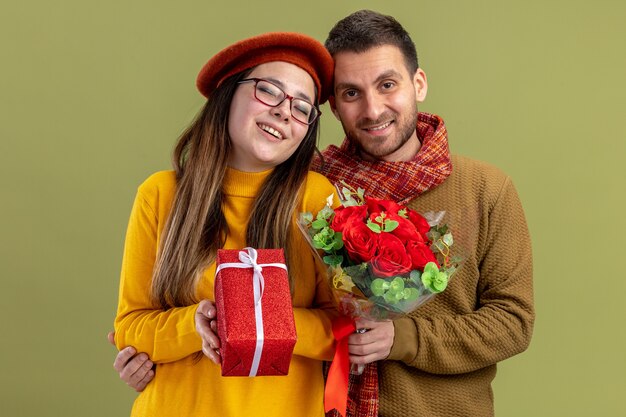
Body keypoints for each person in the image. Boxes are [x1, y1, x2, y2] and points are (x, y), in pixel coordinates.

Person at [112, 10, 534, 417]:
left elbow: (513, 321)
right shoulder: (320, 187)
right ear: (333, 108)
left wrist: (402, 337)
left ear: (418, 83)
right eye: (351, 92)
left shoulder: (483, 189)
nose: (372, 109)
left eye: (387, 84)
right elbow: (134, 326)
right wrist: (157, 351)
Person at [112, 32, 340, 417]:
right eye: (269, 90)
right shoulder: (160, 194)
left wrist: (263, 320)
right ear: (229, 92)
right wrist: (193, 324)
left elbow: (345, 329)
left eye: (302, 108)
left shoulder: (317, 200)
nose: (285, 111)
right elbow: (129, 328)